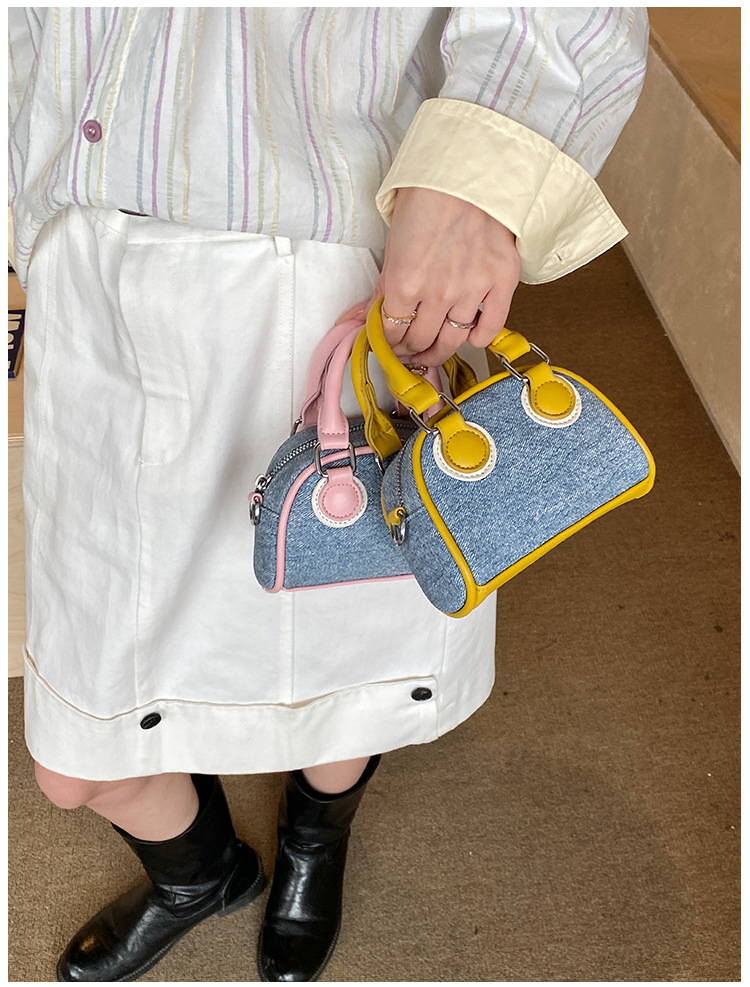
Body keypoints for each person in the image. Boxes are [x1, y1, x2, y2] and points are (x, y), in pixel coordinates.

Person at [9, 7, 649, 983]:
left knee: (349, 669)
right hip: (87, 282)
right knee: (77, 758)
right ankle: (200, 874)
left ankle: (315, 836)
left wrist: (476, 189)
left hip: (333, 278)